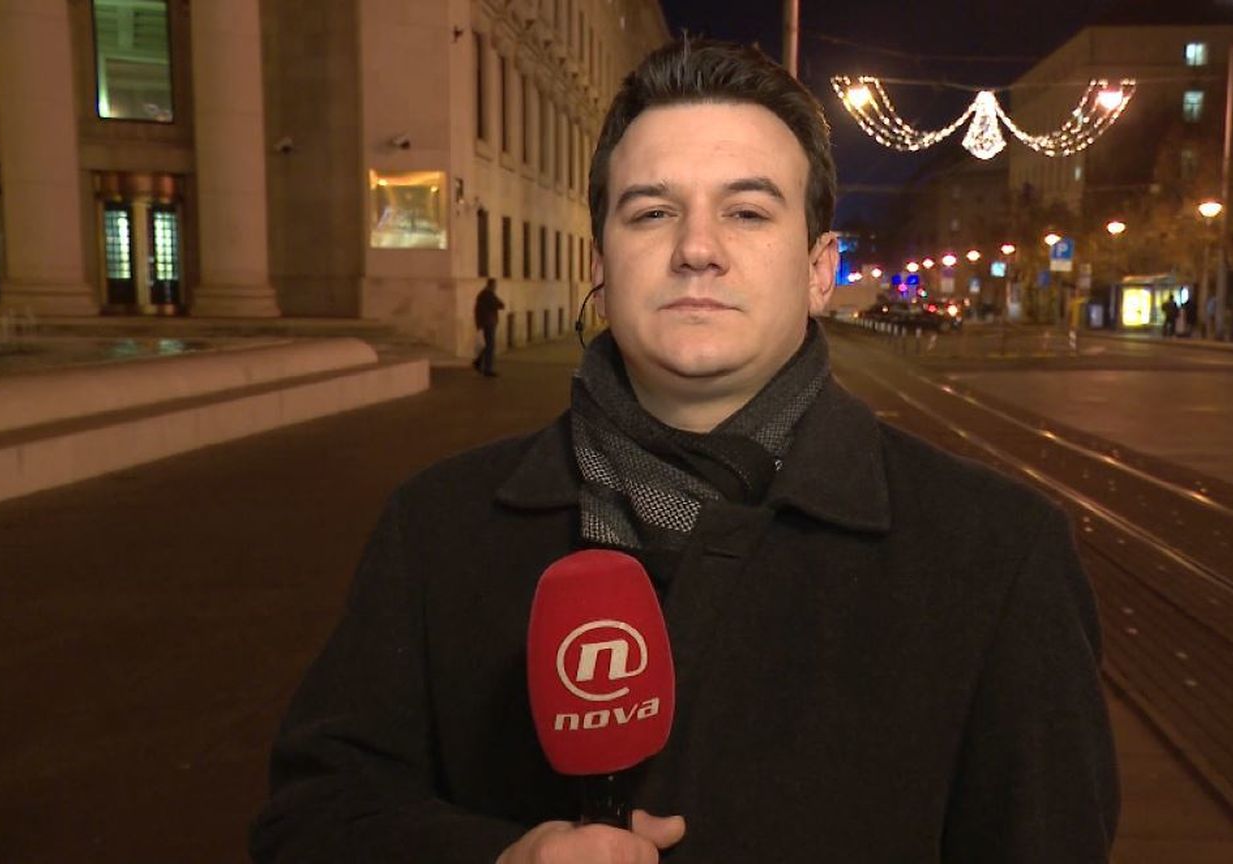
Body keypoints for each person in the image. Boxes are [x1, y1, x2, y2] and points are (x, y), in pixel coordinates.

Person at [251, 39, 1118, 864]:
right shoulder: (438, 526)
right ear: (601, 263)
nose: (697, 249)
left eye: (747, 212)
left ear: (820, 269)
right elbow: (316, 815)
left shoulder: (997, 553)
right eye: (652, 212)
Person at [474, 277, 505, 376]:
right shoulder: (488, 295)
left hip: (485, 322)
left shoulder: (483, 294)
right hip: (488, 323)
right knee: (490, 345)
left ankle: (478, 362)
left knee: (487, 345)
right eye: (495, 285)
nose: (496, 287)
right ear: (491, 285)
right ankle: (487, 369)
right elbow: (500, 305)